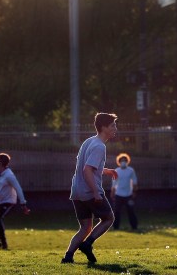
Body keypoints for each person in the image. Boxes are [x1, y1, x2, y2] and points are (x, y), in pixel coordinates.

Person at [61, 112, 119, 265]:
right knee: (109, 218)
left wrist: (106, 170)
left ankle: (67, 257)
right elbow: (87, 170)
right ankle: (87, 245)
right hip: (89, 192)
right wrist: (95, 192)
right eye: (112, 125)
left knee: (85, 227)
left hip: (77, 191)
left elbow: (89, 166)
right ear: (103, 127)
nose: (115, 128)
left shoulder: (89, 141)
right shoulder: (99, 146)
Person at [0, 152, 30, 250]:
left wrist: (23, 203)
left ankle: (4, 243)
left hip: (8, 201)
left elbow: (18, 188)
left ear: (1, 163)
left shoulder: (9, 175)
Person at [111, 152, 138, 230]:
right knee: (117, 212)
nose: (123, 162)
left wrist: (134, 192)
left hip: (128, 195)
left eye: (125, 160)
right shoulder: (116, 171)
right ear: (119, 162)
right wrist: (112, 192)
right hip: (118, 194)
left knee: (131, 211)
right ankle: (116, 227)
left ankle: (134, 226)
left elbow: (135, 181)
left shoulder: (131, 170)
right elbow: (114, 183)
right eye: (122, 160)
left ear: (127, 161)